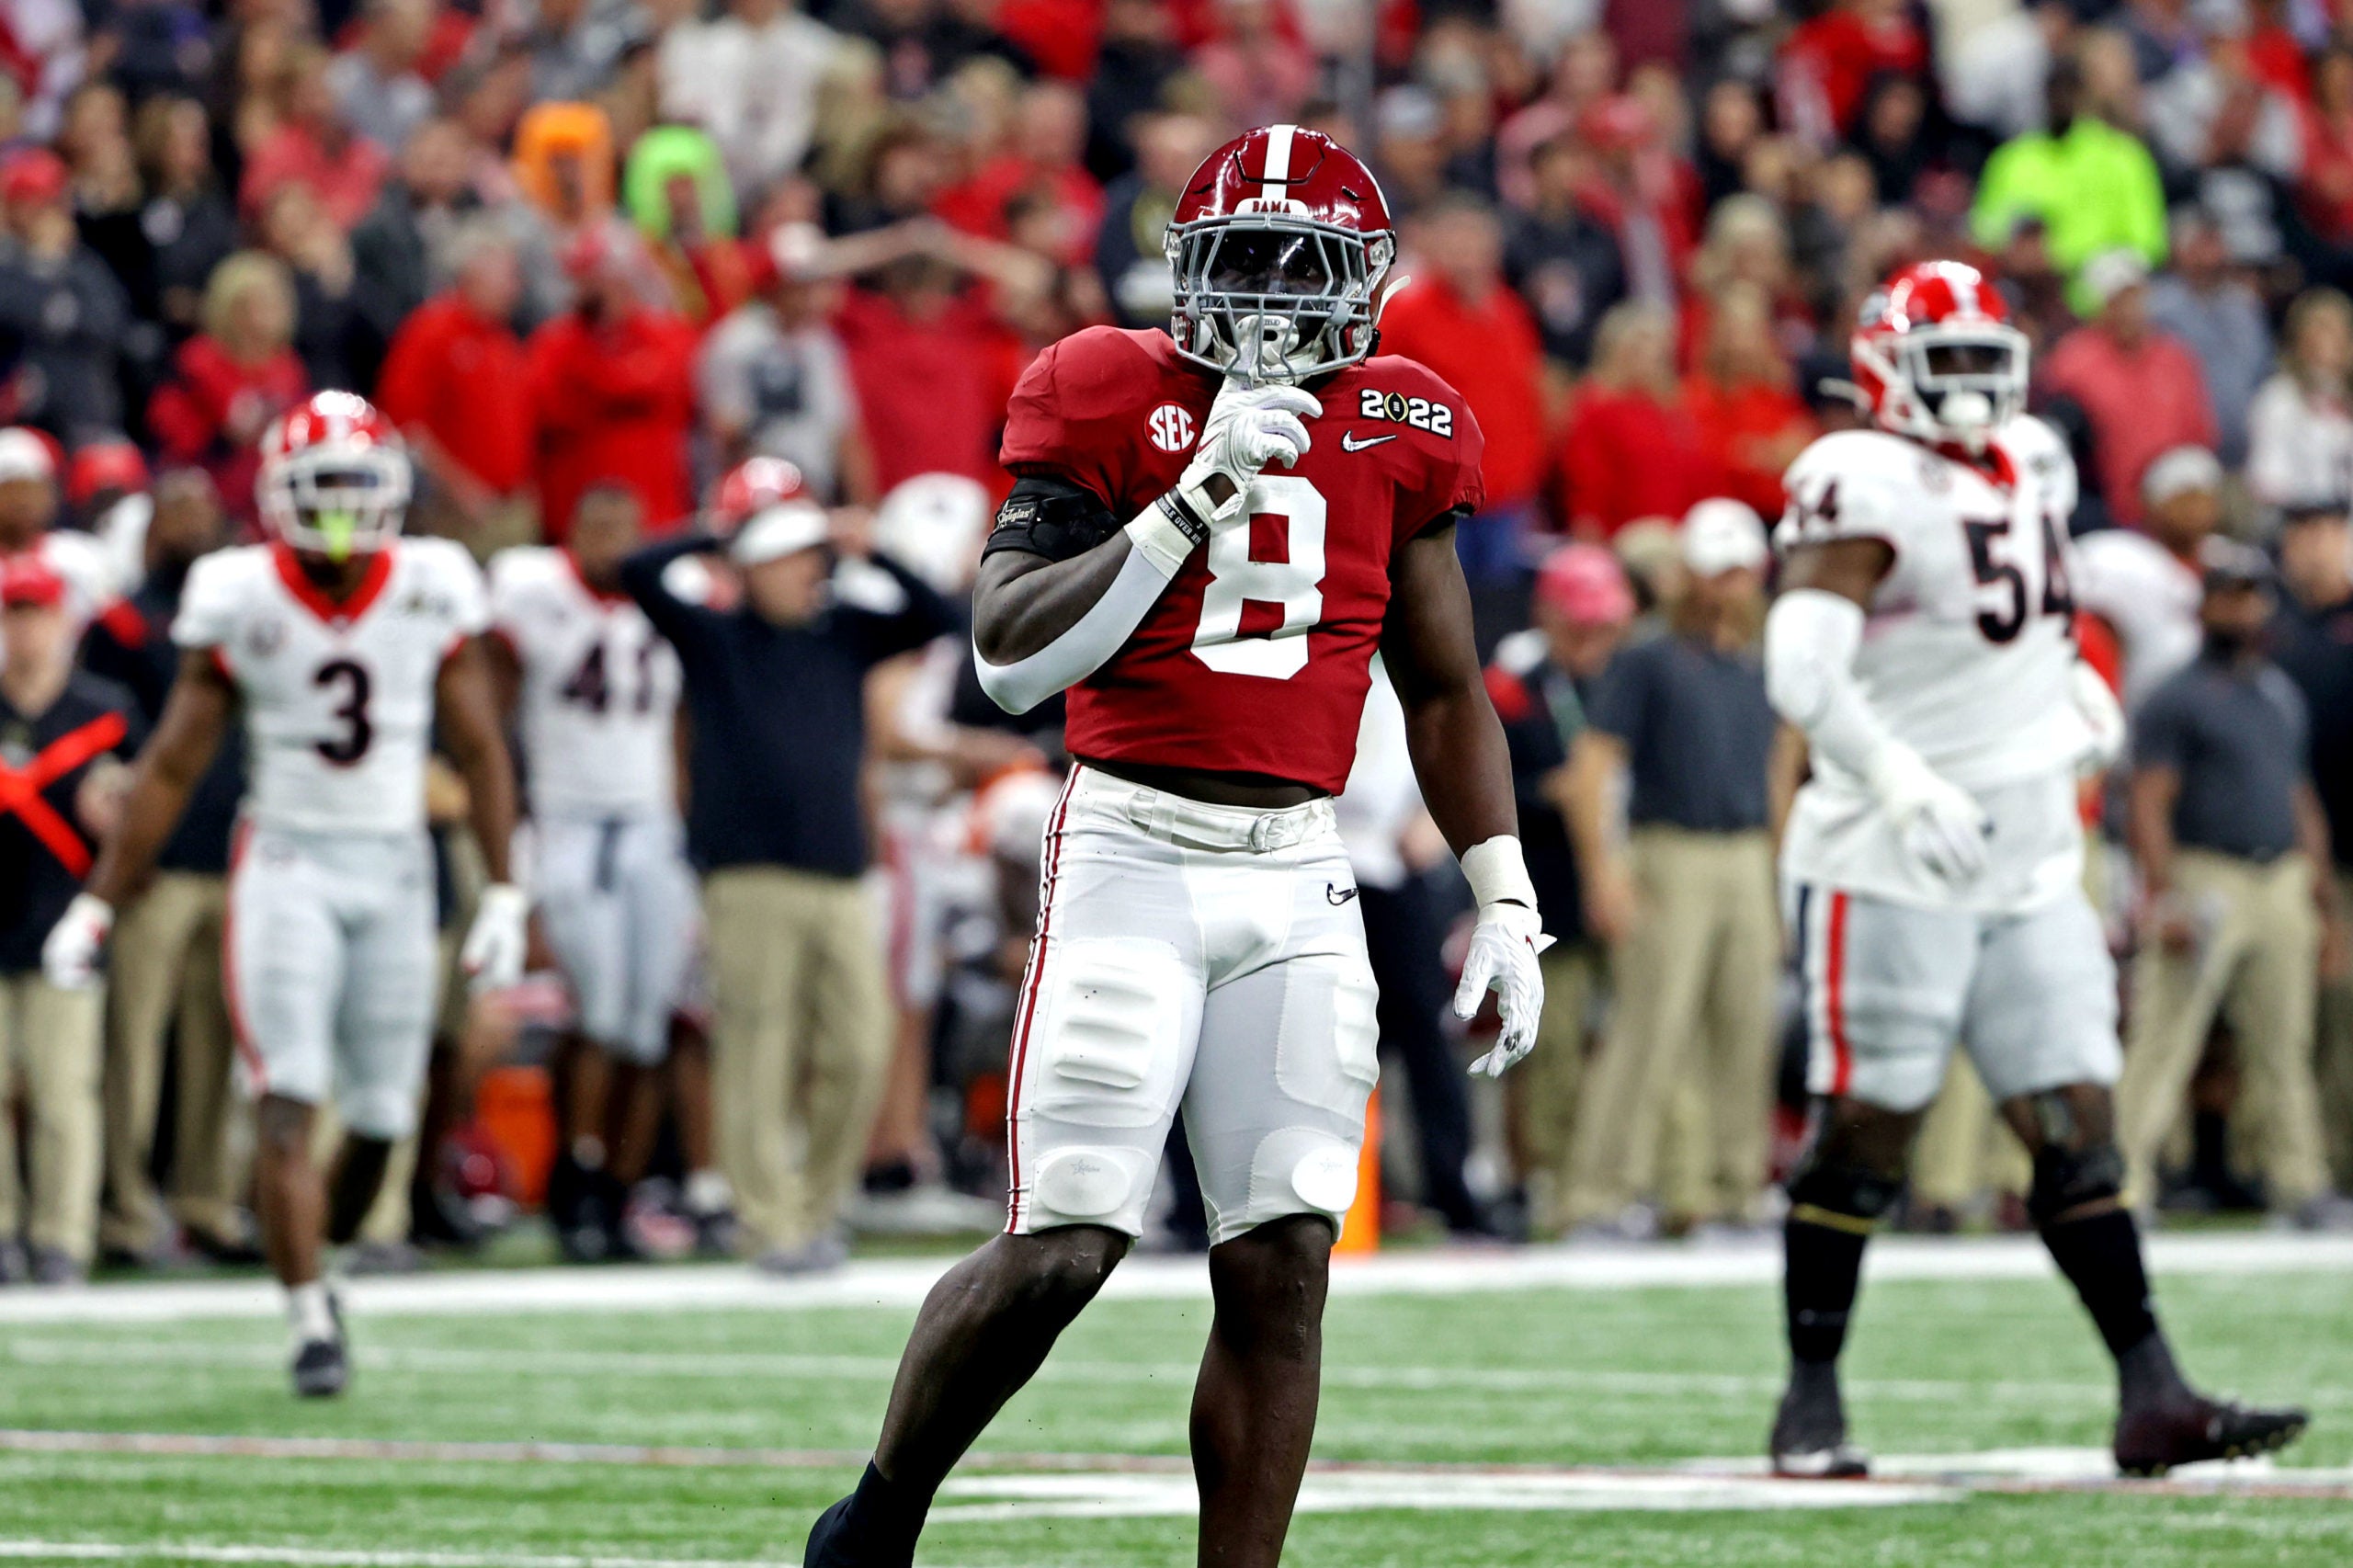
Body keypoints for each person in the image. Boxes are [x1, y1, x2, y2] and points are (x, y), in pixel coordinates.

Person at [804, 125, 1549, 1568]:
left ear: (1367, 280)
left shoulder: (1405, 419)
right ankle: (878, 1519)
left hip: (1298, 863)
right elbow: (1013, 662)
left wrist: (1503, 891)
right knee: (1070, 1240)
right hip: (1131, 840)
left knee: (1283, 1262)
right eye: (1243, 260)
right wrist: (1187, 502)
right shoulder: (1102, 380)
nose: (1271, 295)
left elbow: (1446, 685)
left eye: (1303, 264)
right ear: (1184, 268)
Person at [1761, 259, 2302, 1480]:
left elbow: (2028, 619)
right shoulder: (1857, 474)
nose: (1966, 389)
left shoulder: (2037, 460)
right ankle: (1810, 1396)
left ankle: (2153, 1391)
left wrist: (2072, 688)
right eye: (1941, 365)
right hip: (1893, 852)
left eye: (1980, 364)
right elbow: (1802, 671)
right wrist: (1899, 778)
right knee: (1872, 1122)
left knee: (2076, 1117)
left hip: (2031, 850)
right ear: (1888, 371)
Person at [43, 392, 526, 1396]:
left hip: (396, 863)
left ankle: (318, 1253)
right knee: (287, 1096)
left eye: (359, 484)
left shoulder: (434, 582)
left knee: (386, 1118)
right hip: (288, 862)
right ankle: (309, 1315)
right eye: (326, 487)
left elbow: (479, 746)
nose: (345, 509)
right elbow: (172, 765)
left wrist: (508, 891)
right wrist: (100, 901)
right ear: (279, 496)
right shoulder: (241, 591)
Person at [618, 457, 958, 1275]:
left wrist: (869, 547)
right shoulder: (715, 636)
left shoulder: (845, 632)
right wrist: (727, 534)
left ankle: (813, 1206)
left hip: (842, 873)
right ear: (750, 562)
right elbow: (636, 570)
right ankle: (770, 1224)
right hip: (747, 876)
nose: (810, 566)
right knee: (758, 1052)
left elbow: (942, 614)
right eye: (790, 551)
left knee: (861, 1046)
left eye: (812, 551)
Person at [1558, 499, 1780, 1237]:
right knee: (1649, 1029)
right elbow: (1593, 768)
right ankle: (1600, 1191)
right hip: (1670, 851)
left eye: (1740, 572)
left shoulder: (1759, 664)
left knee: (1745, 1029)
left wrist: (1778, 871)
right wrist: (1606, 873)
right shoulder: (1648, 657)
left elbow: (1780, 773)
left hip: (1747, 853)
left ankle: (1729, 1187)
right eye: (1718, 572)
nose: (1728, 587)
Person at [487, 483, 697, 1263]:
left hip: (649, 826)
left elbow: (681, 728)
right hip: (569, 822)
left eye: (624, 530)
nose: (612, 546)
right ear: (569, 534)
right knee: (598, 1013)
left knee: (648, 1021)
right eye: (596, 529)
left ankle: (621, 1186)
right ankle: (575, 1174)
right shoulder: (532, 597)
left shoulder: (664, 603)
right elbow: (495, 713)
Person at [2117, 543, 2349, 1232]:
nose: (2242, 607)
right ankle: (2126, 1183)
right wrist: (2163, 893)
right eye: (2229, 594)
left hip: (2279, 876)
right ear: (2205, 603)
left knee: (2285, 1041)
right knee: (2166, 1036)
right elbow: (2150, 802)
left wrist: (2320, 894)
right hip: (2206, 870)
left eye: (2252, 595)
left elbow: (2298, 792)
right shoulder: (2176, 693)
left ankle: (2298, 1182)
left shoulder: (2276, 691)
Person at [77, 472, 249, 1265]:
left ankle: (204, 1200)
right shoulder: (124, 621)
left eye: (204, 511)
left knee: (218, 1049)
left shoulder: (243, 617)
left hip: (232, 854)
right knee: (133, 1046)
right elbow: (102, 732)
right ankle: (123, 1208)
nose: (195, 524)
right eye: (180, 511)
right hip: (157, 865)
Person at [0, 556, 142, 1283]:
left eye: (36, 613)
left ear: (63, 620)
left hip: (65, 917)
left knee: (62, 1089)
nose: (24, 630)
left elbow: (150, 806)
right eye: (13, 613)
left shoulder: (104, 710)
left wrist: (116, 805)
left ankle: (62, 1236)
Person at [1485, 542, 1633, 1237]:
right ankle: (1546, 1180)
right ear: (1548, 611)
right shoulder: (1515, 681)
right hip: (1545, 890)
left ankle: (1606, 1178)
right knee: (1550, 1042)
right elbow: (1479, 780)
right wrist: (1551, 791)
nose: (1594, 637)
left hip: (1614, 881)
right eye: (1582, 623)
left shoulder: (1612, 677)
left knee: (1616, 1042)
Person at [2269, 501, 2353, 1190]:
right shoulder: (2271, 633)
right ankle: (2323, 1163)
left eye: (2329, 533)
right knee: (2321, 1016)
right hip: (2312, 857)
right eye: (2304, 536)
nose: (2316, 549)